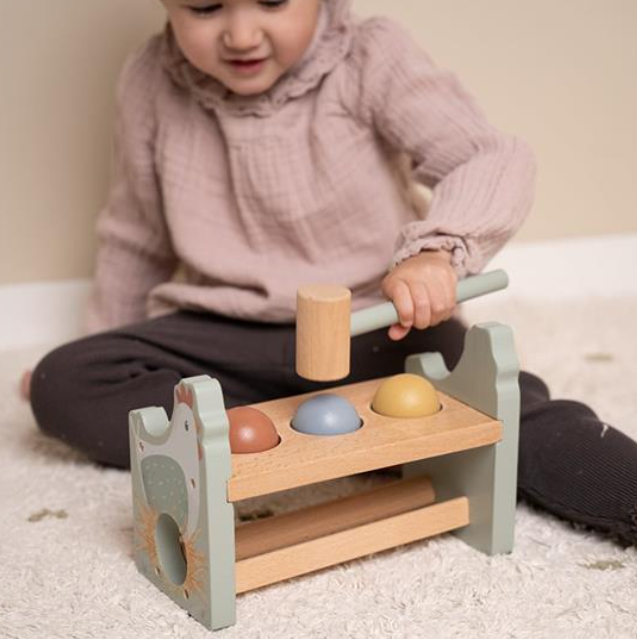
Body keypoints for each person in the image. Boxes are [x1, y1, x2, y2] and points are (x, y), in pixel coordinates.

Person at [26, 0, 636, 546]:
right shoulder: (148, 79)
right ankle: (298, 429)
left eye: (271, 1)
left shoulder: (369, 56)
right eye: (205, 7)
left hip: (376, 324)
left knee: (494, 409)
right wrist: (99, 340)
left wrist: (435, 253)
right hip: (224, 333)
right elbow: (136, 237)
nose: (241, 34)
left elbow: (488, 156)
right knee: (65, 379)